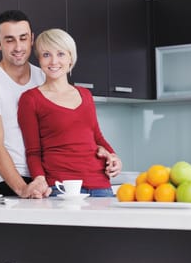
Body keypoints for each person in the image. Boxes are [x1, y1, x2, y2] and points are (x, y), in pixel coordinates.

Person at [0, 10, 121, 198]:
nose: (18, 46)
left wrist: (106, 152)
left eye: (23, 38)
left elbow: (78, 129)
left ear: (32, 39)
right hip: (14, 179)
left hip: (50, 178)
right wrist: (22, 188)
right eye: (9, 40)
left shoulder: (46, 74)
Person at [18, 28, 122, 197]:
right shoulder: (30, 99)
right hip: (61, 187)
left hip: (101, 185)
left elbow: (97, 137)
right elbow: (33, 151)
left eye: (60, 54)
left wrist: (114, 157)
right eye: (46, 55)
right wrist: (39, 179)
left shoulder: (85, 95)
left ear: (70, 58)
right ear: (39, 59)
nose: (53, 61)